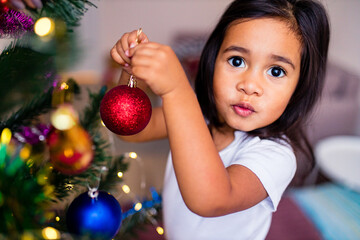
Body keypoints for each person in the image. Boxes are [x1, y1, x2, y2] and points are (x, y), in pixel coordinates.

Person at [110, 0, 330, 239]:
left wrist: (177, 91)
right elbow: (131, 129)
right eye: (237, 61)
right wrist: (132, 73)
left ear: (299, 86)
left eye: (276, 71)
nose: (249, 86)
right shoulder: (200, 113)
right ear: (213, 60)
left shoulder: (276, 155)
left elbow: (209, 199)